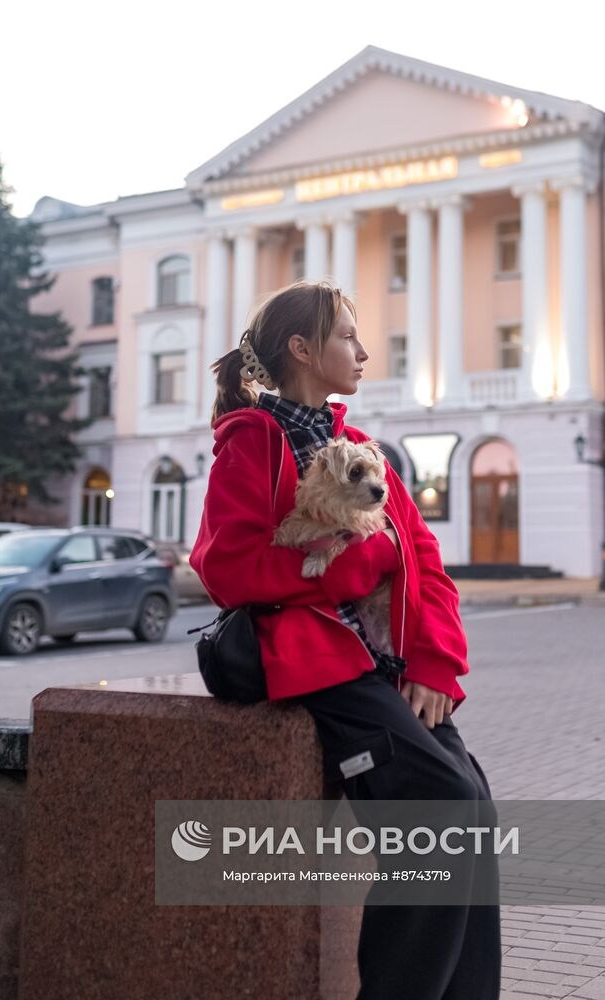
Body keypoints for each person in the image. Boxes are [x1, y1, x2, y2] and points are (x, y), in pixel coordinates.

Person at [189, 279, 501, 999]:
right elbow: (227, 568)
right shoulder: (254, 440)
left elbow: (425, 561)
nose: (363, 354)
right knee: (441, 808)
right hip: (311, 662)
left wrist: (436, 662)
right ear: (302, 349)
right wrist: (361, 561)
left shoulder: (358, 448)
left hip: (385, 661)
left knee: (473, 807)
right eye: (348, 339)